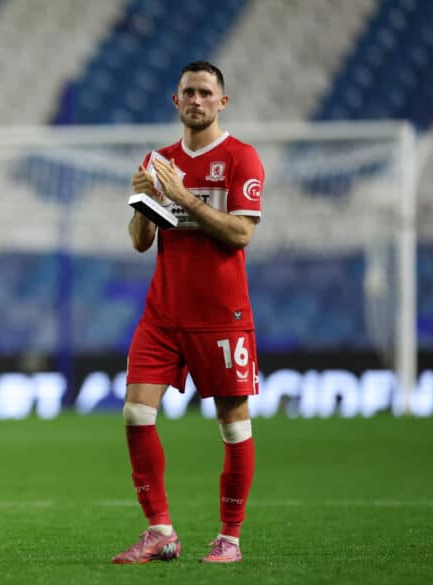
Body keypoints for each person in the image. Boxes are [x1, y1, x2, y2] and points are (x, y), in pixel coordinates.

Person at [112, 61, 264, 565]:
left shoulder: (241, 158)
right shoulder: (159, 160)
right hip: (164, 312)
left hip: (222, 313)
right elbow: (140, 243)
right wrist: (142, 202)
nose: (196, 100)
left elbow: (241, 234)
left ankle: (230, 538)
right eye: (188, 93)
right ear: (174, 102)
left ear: (223, 102)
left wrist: (183, 198)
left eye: (205, 92)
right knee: (136, 412)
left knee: (232, 422)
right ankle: (159, 531)